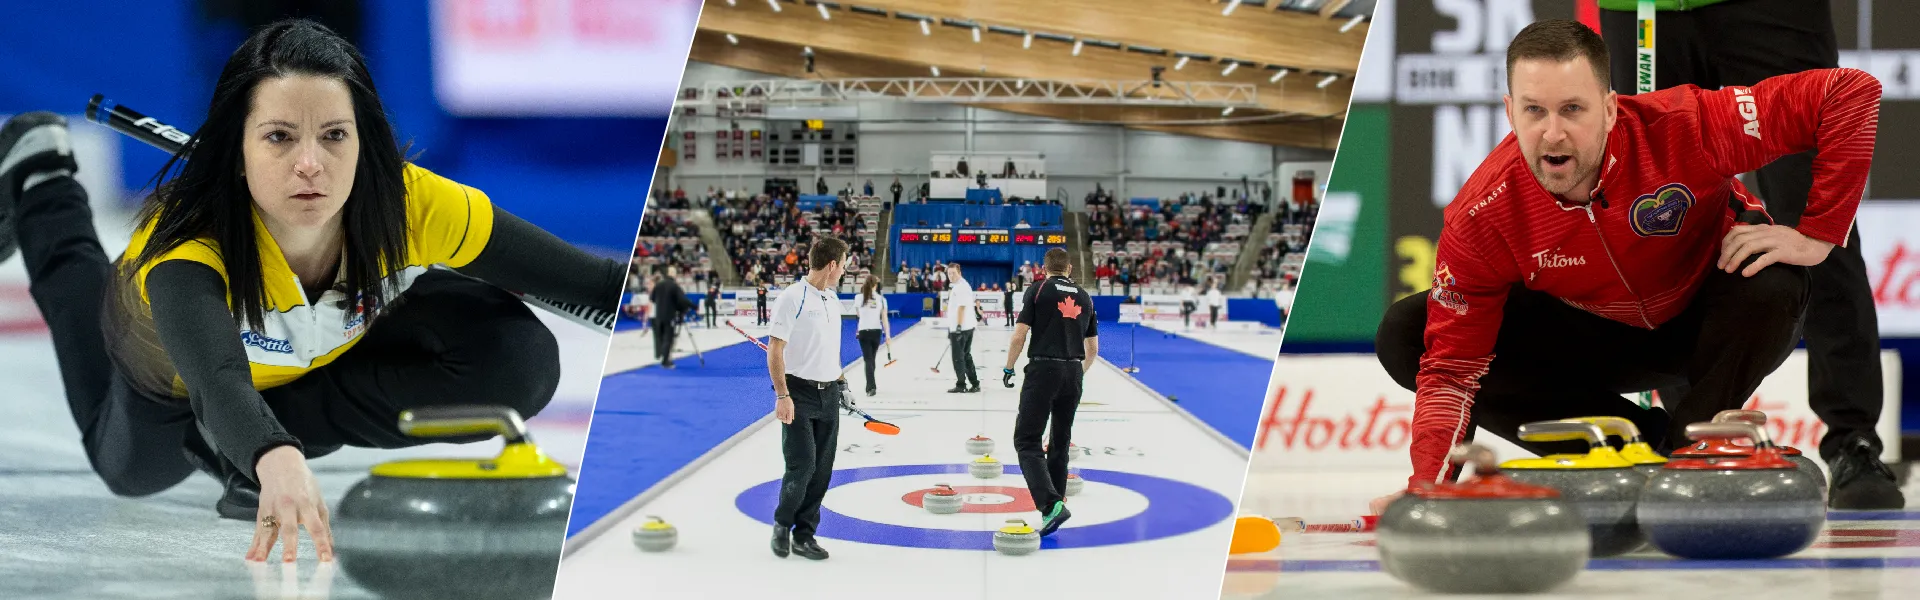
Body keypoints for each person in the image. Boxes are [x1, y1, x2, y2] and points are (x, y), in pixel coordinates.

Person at [0, 19, 623, 562]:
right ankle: (41, 181)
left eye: (333, 135)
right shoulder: (188, 250)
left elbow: (594, 282)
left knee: (517, 361)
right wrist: (273, 457)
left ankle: (250, 436)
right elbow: (218, 383)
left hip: (326, 351)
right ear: (237, 150)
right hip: (172, 373)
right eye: (278, 136)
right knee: (128, 472)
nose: (311, 165)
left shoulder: (410, 203)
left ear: (363, 142)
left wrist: (697, 297)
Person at [1368, 20, 1879, 513]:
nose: (1552, 134)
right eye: (1534, 111)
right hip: (1595, 335)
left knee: (1773, 279)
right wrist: (1427, 489)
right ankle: (1637, 445)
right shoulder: (1482, 213)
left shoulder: (1686, 124)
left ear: (1611, 109)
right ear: (1509, 112)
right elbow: (1454, 373)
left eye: (1573, 109)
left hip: (1707, 317)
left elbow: (1848, 93)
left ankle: (1689, 444)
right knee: (1408, 332)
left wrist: (1818, 235)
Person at [1598, 0, 1900, 508]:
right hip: (1644, 9)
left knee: (1818, 220)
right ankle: (1688, 440)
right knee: (1662, 223)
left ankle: (1854, 440)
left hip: (1770, 7)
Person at [1001, 248, 1098, 537]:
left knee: (1027, 441)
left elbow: (1019, 335)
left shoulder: (1038, 289)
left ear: (1044, 268)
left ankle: (1051, 505)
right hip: (1073, 373)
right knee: (1060, 440)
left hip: (1043, 370)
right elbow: (1092, 350)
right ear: (1069, 268)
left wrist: (1008, 368)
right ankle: (1056, 502)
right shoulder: (1085, 296)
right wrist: (1076, 374)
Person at [767, 236, 852, 561]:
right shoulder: (792, 298)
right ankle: (781, 524)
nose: (843, 271)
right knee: (802, 466)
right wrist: (782, 395)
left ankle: (804, 535)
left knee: (822, 471)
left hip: (829, 394)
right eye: (843, 265)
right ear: (832, 265)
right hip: (798, 394)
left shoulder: (832, 300)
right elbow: (775, 350)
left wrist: (842, 383)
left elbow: (830, 351)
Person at [944, 264, 980, 393]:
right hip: (964, 327)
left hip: (962, 328)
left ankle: (961, 384)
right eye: (949, 274)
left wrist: (958, 327)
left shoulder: (961, 287)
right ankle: (974, 383)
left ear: (959, 272)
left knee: (959, 357)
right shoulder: (959, 286)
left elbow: (962, 307)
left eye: (953, 273)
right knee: (965, 356)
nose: (951, 276)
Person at [855, 276, 892, 396]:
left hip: (864, 331)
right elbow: (885, 319)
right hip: (876, 331)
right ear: (875, 285)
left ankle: (870, 386)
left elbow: (859, 315)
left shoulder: (858, 298)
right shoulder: (881, 299)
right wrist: (888, 335)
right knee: (871, 359)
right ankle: (871, 385)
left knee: (868, 359)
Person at [650, 266, 693, 368]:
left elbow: (652, 298)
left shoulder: (659, 284)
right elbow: (682, 301)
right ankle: (665, 361)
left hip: (658, 315)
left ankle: (660, 355)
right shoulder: (674, 286)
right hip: (669, 316)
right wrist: (692, 307)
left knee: (660, 337)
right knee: (668, 338)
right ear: (674, 274)